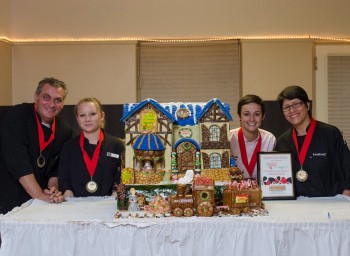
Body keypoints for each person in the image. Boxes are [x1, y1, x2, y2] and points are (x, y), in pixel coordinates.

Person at [0, 77, 72, 214]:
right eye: (46, 97)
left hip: (41, 201)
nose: (51, 104)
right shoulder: (17, 116)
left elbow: (55, 170)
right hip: (10, 194)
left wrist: (52, 191)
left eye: (57, 100)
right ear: (36, 97)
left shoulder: (64, 130)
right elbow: (18, 162)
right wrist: (39, 195)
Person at [275, 85, 350, 197]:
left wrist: (346, 195)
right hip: (296, 205)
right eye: (286, 107)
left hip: (330, 203)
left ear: (308, 105)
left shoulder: (330, 133)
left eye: (296, 104)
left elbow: (346, 167)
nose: (292, 110)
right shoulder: (282, 142)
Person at [58, 97, 124, 199]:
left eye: (92, 114)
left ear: (102, 116)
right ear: (77, 119)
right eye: (82, 115)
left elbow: (121, 177)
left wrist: (115, 195)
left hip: (107, 206)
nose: (87, 119)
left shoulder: (116, 145)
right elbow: (63, 178)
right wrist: (67, 193)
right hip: (76, 206)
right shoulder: (68, 147)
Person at [229, 95, 276, 179]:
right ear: (239, 116)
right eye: (246, 114)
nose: (252, 119)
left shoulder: (270, 139)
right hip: (235, 189)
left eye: (257, 114)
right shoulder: (229, 138)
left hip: (262, 189)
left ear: (263, 116)